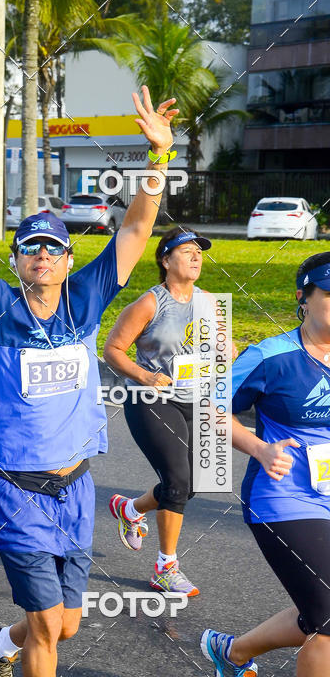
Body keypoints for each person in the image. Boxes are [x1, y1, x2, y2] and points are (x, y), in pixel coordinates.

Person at [0, 86, 179, 677]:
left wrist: (157, 160)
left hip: (76, 486)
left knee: (62, 626)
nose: (42, 254)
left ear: (69, 261)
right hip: (15, 489)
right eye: (29, 247)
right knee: (49, 623)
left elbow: (134, 233)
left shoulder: (87, 300)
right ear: (17, 261)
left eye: (53, 247)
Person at [201, 251, 330, 677]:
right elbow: (209, 405)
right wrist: (256, 446)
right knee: (327, 613)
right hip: (285, 501)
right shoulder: (273, 356)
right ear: (305, 298)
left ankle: (234, 650)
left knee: (318, 606)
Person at [103, 228, 215, 596]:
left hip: (193, 396)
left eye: (199, 252)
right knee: (178, 481)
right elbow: (113, 350)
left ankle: (132, 509)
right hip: (148, 399)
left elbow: (220, 351)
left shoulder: (210, 303)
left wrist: (225, 351)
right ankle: (165, 568)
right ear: (166, 261)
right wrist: (146, 376)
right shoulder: (150, 303)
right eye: (186, 251)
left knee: (195, 481)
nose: (196, 257)